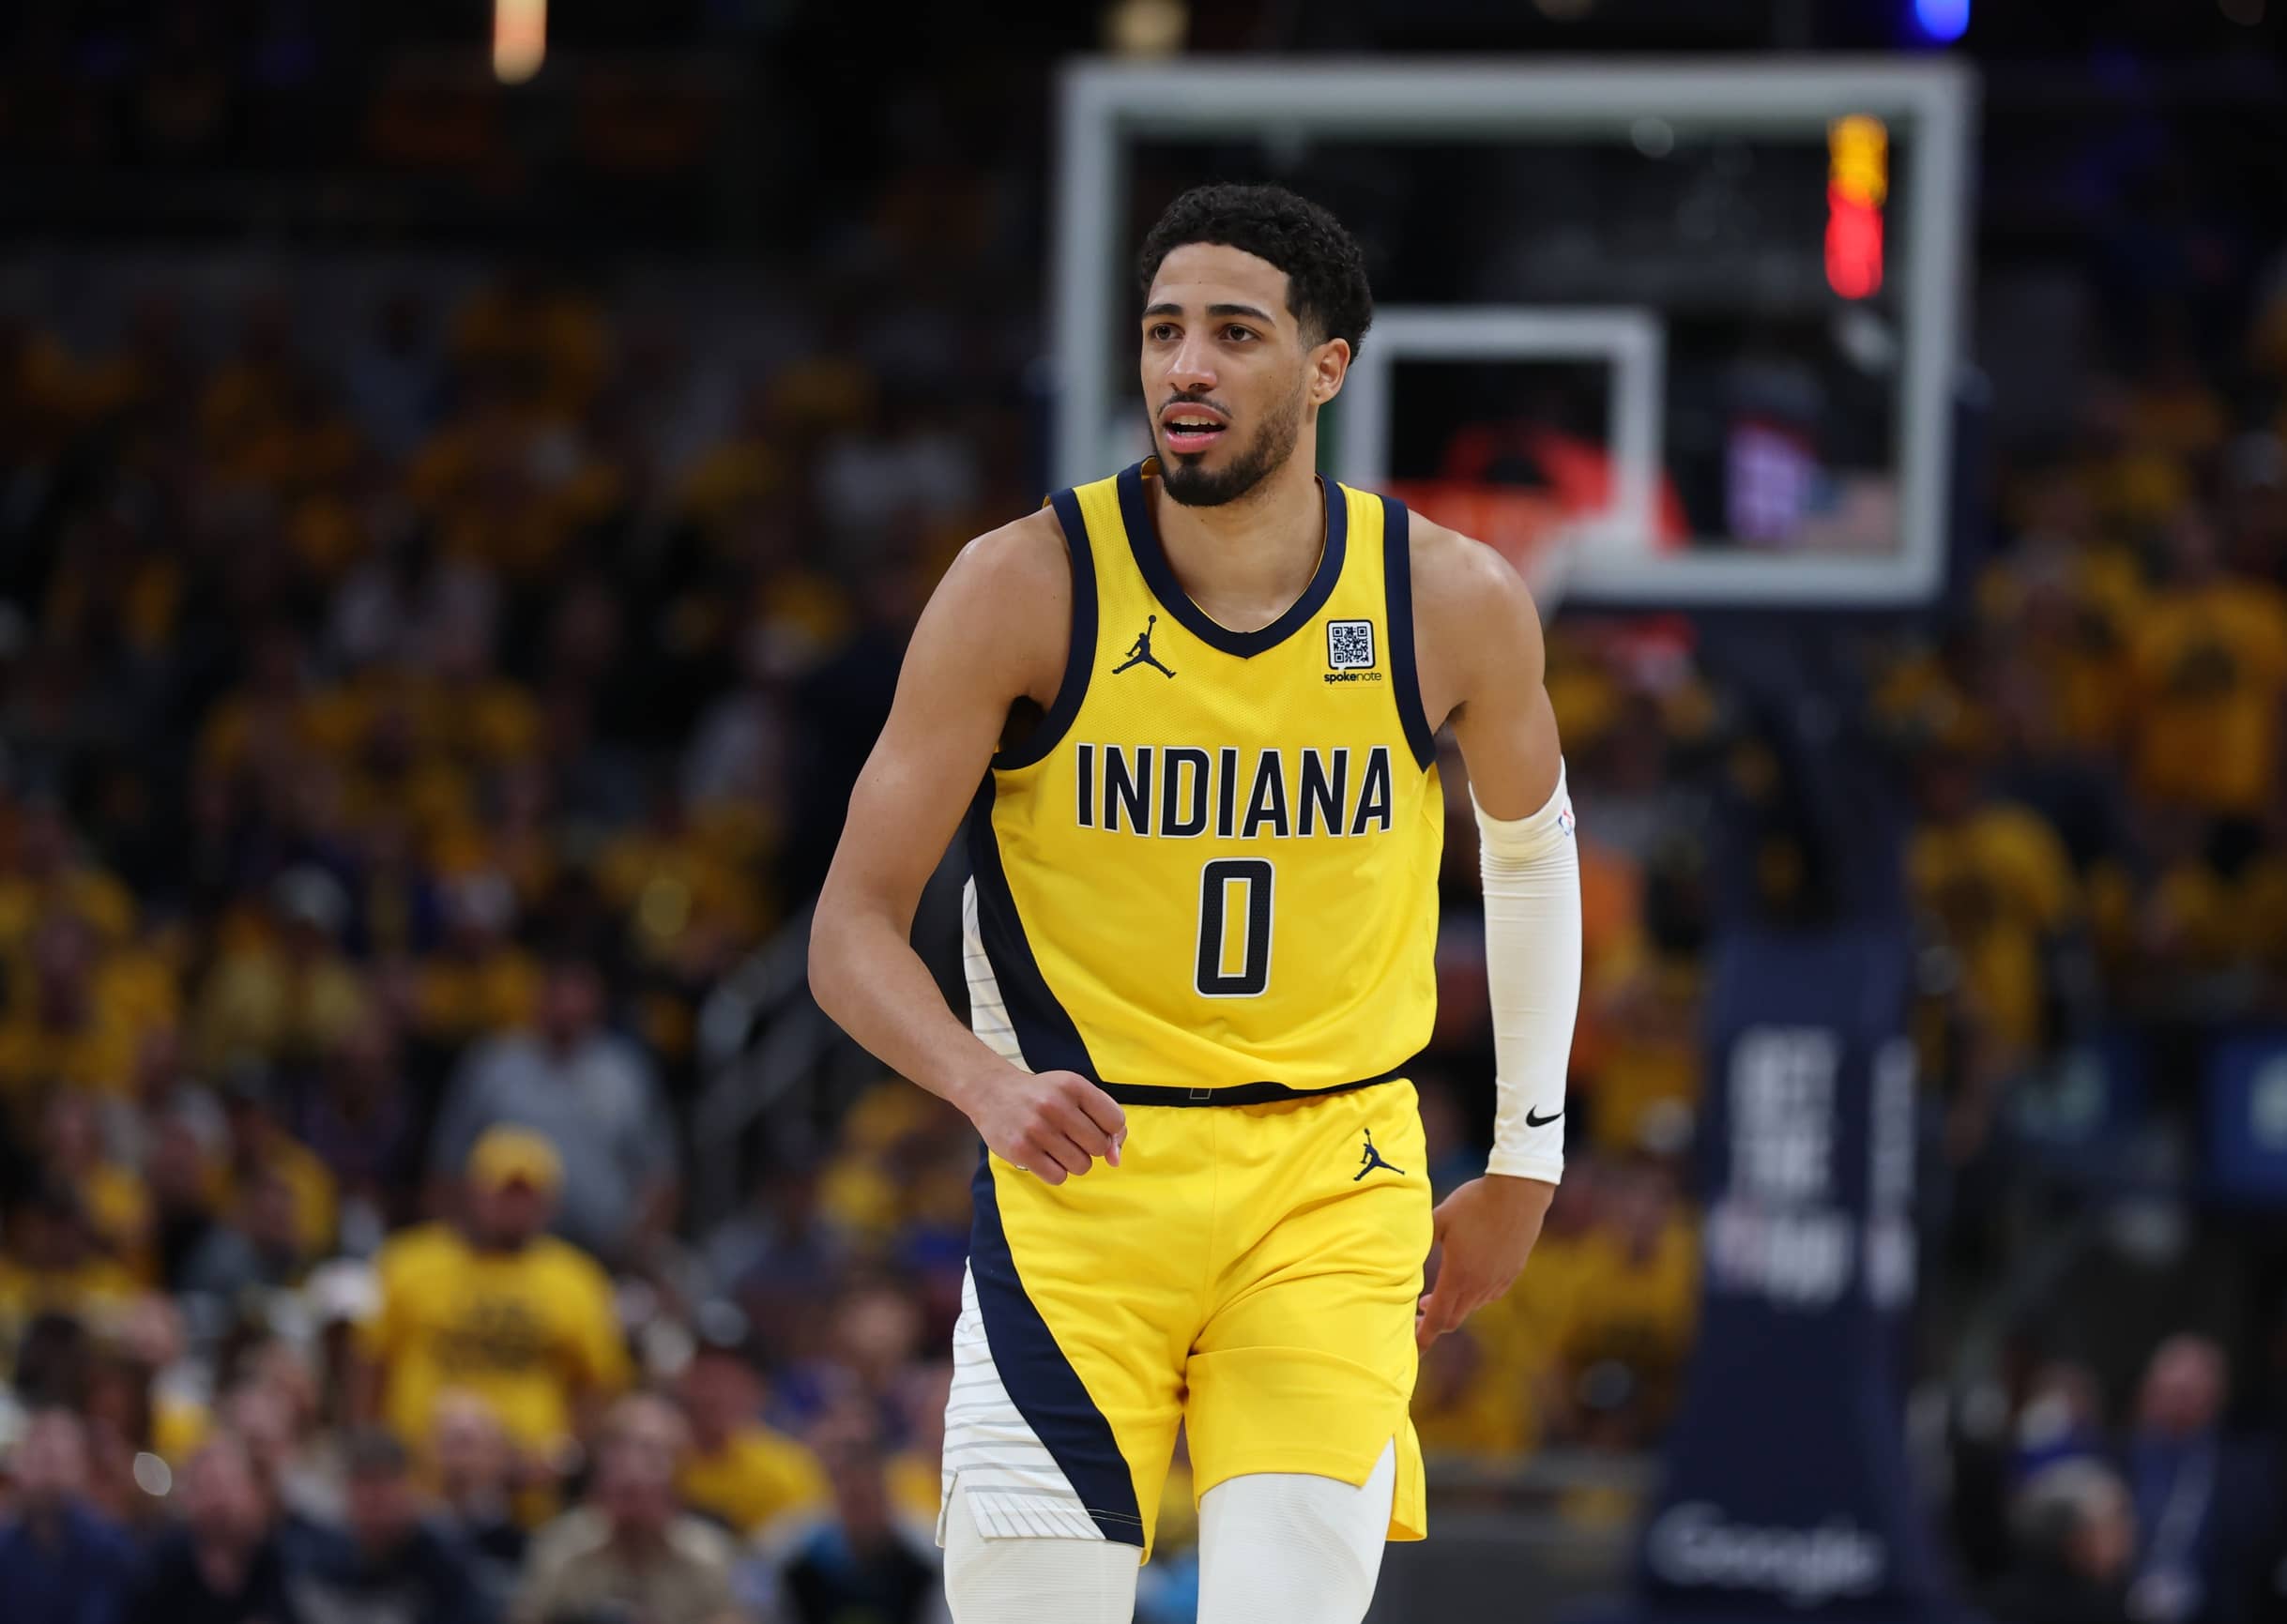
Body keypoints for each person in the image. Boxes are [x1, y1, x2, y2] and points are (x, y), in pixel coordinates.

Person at [809, 182, 1580, 1623]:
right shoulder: (1019, 586)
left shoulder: (1450, 596)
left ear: (1326, 365)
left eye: (1233, 332)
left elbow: (1533, 858)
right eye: (1165, 331)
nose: (1187, 367)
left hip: (1330, 1183)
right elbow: (848, 927)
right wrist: (982, 1083)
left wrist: (1525, 1159)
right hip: (1081, 1186)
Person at [353, 1127, 632, 1490]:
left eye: (528, 1197)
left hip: (529, 1488)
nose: (516, 1208)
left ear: (550, 1205)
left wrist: (568, 1457)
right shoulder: (407, 1262)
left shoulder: (576, 1278)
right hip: (419, 1482)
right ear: (473, 1192)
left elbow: (600, 1384)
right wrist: (371, 1452)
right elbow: (368, 1364)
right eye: (504, 1193)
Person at [427, 955, 676, 1265]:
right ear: (537, 996)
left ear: (598, 1000)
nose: (568, 1004)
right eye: (558, 991)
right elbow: (448, 1165)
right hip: (503, 1255)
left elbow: (660, 1175)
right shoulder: (492, 1065)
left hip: (606, 1256)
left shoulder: (625, 1072)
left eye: (579, 991)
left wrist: (636, 1245)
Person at [511, 1395, 747, 1624]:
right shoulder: (561, 1546)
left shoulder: (709, 1553)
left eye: (652, 1453)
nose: (633, 1466)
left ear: (680, 1469)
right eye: (618, 1450)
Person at [288, 1429, 490, 1624]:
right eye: (364, 1496)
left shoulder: (447, 1561)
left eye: (382, 1497)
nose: (375, 1512)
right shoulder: (312, 1554)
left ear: (410, 1493)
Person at [122, 1432, 303, 1624]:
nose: (221, 1500)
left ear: (255, 1494)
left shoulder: (273, 1560)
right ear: (188, 1498)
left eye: (230, 1485)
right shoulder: (163, 1563)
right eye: (209, 1485)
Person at [0, 1408, 139, 1624]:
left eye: (55, 1460)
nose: (47, 1476)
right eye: (38, 1459)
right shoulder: (6, 1548)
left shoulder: (111, 1551)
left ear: (81, 1468)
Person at [1985, 1458, 2138, 1624]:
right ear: (2075, 1540)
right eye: (2114, 1521)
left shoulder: (2121, 1594)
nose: (2127, 1531)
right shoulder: (2027, 1608)